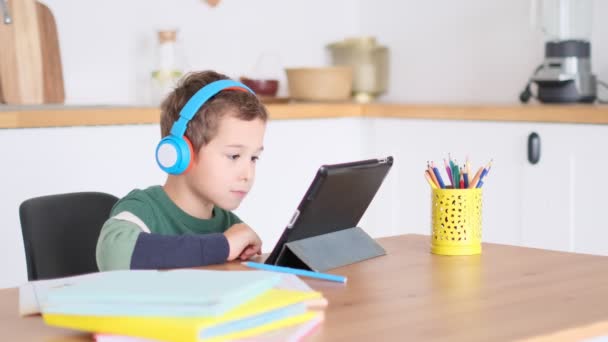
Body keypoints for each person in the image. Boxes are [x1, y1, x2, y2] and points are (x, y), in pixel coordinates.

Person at [96, 70, 268, 270]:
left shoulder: (230, 226)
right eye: (234, 156)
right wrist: (223, 246)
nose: (247, 174)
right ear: (180, 153)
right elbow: (115, 254)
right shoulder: (144, 211)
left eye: (254, 158)